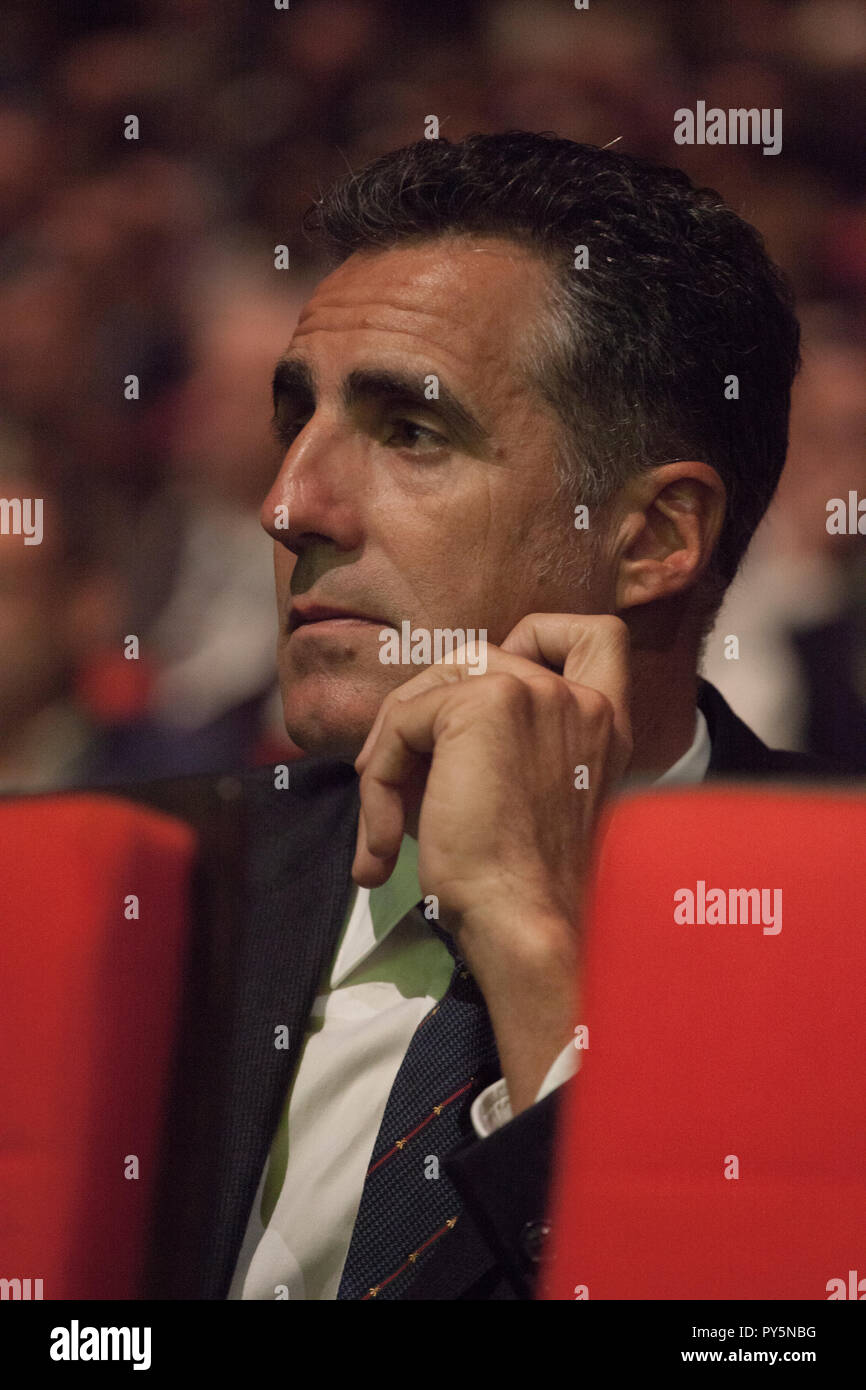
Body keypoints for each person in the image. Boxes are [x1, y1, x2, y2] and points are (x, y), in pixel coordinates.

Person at [117, 132, 852, 1301]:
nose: (288, 503)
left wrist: (529, 950)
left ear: (652, 538)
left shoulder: (833, 926)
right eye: (293, 421)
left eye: (409, 431)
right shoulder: (152, 891)